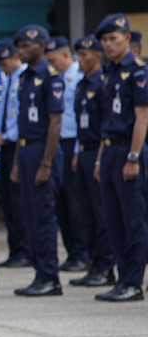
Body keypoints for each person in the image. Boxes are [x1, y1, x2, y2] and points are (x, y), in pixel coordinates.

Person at [93, 13, 148, 302]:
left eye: (113, 39)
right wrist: (101, 160)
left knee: (133, 218)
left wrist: (134, 157)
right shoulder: (109, 71)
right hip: (111, 149)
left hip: (129, 148)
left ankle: (134, 282)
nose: (108, 44)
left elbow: (142, 117)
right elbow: (106, 122)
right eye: (104, 40)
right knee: (112, 218)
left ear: (127, 39)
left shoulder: (138, 70)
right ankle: (122, 276)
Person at [11, 25, 65, 297]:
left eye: (27, 45)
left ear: (42, 46)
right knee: (30, 217)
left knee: (44, 218)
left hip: (44, 151)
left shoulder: (50, 76)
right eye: (18, 45)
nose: (21, 49)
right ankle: (39, 273)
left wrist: (46, 163)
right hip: (27, 150)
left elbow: (55, 122)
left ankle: (50, 277)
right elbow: (23, 123)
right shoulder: (25, 77)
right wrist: (18, 164)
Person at [69, 36, 115, 288]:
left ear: (97, 56)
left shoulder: (102, 83)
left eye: (85, 55)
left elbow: (104, 125)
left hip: (99, 151)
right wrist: (77, 152)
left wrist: (98, 159)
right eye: (79, 55)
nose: (81, 59)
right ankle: (94, 264)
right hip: (84, 150)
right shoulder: (81, 85)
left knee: (100, 213)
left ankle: (106, 267)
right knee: (85, 212)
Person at [45, 36, 88, 272]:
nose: (51, 66)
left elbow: (84, 118)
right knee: (61, 203)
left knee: (75, 202)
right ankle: (72, 252)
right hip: (59, 142)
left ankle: (82, 253)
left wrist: (78, 149)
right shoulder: (56, 79)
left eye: (54, 60)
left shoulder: (78, 78)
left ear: (65, 55)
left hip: (74, 142)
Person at [0, 41, 30, 268]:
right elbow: (1, 112)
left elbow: (22, 116)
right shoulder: (8, 81)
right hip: (5, 144)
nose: (3, 69)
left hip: (17, 144)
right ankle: (15, 250)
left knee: (18, 200)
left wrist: (6, 135)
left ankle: (24, 250)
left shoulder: (24, 79)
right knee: (7, 200)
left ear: (16, 58)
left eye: (5, 64)